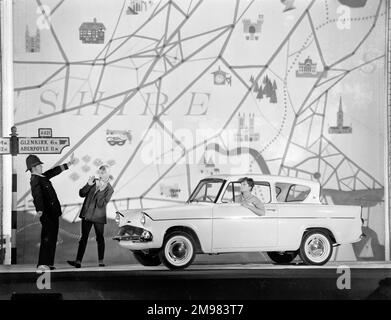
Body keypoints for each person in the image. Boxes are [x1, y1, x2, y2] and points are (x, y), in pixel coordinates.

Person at [27, 153, 76, 271]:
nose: (41, 167)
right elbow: (37, 196)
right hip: (46, 214)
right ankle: (42, 263)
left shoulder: (42, 176)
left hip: (53, 213)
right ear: (33, 168)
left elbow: (53, 171)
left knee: (52, 237)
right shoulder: (35, 180)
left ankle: (48, 263)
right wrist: (39, 210)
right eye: (39, 165)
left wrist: (68, 164)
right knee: (47, 238)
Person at [67, 165, 114, 268]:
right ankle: (78, 261)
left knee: (100, 238)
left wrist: (101, 190)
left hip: (99, 217)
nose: (101, 175)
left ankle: (101, 261)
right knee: (83, 238)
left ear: (108, 174)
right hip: (87, 214)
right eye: (100, 172)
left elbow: (101, 204)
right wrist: (88, 185)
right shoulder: (93, 182)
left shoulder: (110, 189)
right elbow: (81, 193)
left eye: (103, 173)